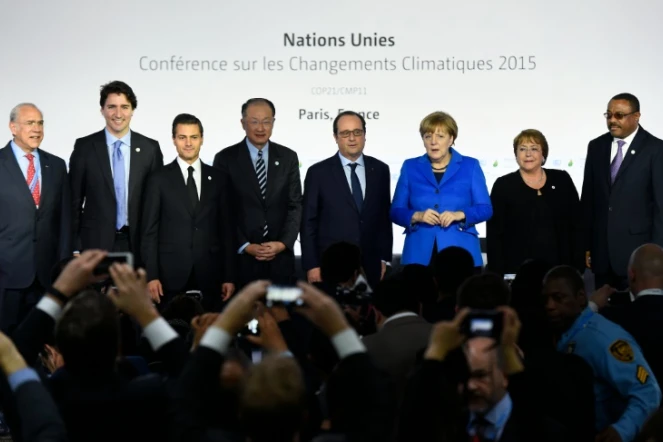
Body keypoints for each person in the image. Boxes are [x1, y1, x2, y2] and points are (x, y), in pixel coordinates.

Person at [543, 265, 661, 442]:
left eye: (558, 298)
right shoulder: (563, 334)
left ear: (581, 297)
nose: (550, 306)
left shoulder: (603, 338)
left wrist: (621, 431)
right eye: (545, 299)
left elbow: (649, 392)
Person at [141, 114, 235, 311]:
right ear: (174, 140)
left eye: (194, 137)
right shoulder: (158, 179)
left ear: (202, 139)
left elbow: (227, 231)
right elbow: (149, 231)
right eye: (182, 137)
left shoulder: (219, 179)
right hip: (169, 277)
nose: (188, 143)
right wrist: (152, 276)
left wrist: (229, 276)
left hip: (211, 275)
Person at [69, 80, 163, 263]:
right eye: (112, 107)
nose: (118, 114)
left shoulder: (150, 149)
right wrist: (74, 245)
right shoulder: (85, 148)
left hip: (138, 245)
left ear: (132, 110)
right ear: (102, 110)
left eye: (124, 107)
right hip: (93, 246)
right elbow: (73, 202)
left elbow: (157, 205)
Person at [213, 98, 302, 288]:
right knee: (244, 316)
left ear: (273, 123)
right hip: (242, 263)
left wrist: (282, 243)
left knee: (282, 315)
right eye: (254, 121)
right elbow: (223, 211)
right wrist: (246, 246)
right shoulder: (225, 159)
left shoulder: (288, 157)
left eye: (266, 121)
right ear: (243, 123)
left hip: (281, 261)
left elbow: (295, 205)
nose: (261, 128)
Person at [300, 110, 393, 288]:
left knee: (368, 314)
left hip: (370, 264)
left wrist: (384, 258)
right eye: (345, 133)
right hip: (331, 266)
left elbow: (383, 218)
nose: (352, 138)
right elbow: (308, 223)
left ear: (365, 135)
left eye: (357, 132)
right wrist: (312, 265)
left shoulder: (380, 170)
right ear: (335, 137)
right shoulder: (318, 173)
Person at [0, 103, 71, 332]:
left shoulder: (57, 165)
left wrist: (63, 267)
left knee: (45, 340)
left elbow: (65, 221)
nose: (37, 129)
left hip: (47, 276)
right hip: (7, 276)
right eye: (30, 123)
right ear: (13, 127)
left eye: (40, 123)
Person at [582, 93, 663, 290]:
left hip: (638, 257)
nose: (612, 120)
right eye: (608, 115)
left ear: (637, 116)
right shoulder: (596, 146)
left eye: (619, 115)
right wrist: (586, 245)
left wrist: (656, 254)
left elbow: (660, 207)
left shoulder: (655, 149)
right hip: (601, 256)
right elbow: (589, 200)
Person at [390, 111, 492, 268]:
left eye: (440, 136)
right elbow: (396, 211)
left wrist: (460, 214)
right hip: (419, 253)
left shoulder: (470, 166)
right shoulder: (410, 167)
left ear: (451, 139)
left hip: (461, 252)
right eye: (428, 136)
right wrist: (417, 215)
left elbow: (485, 209)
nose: (433, 142)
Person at [487, 129, 583, 275]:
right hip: (517, 270)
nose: (528, 154)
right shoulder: (504, 185)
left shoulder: (561, 179)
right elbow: (495, 233)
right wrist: (497, 272)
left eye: (534, 149)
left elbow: (576, 223)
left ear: (543, 153)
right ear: (516, 154)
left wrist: (577, 265)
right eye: (522, 149)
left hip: (560, 269)